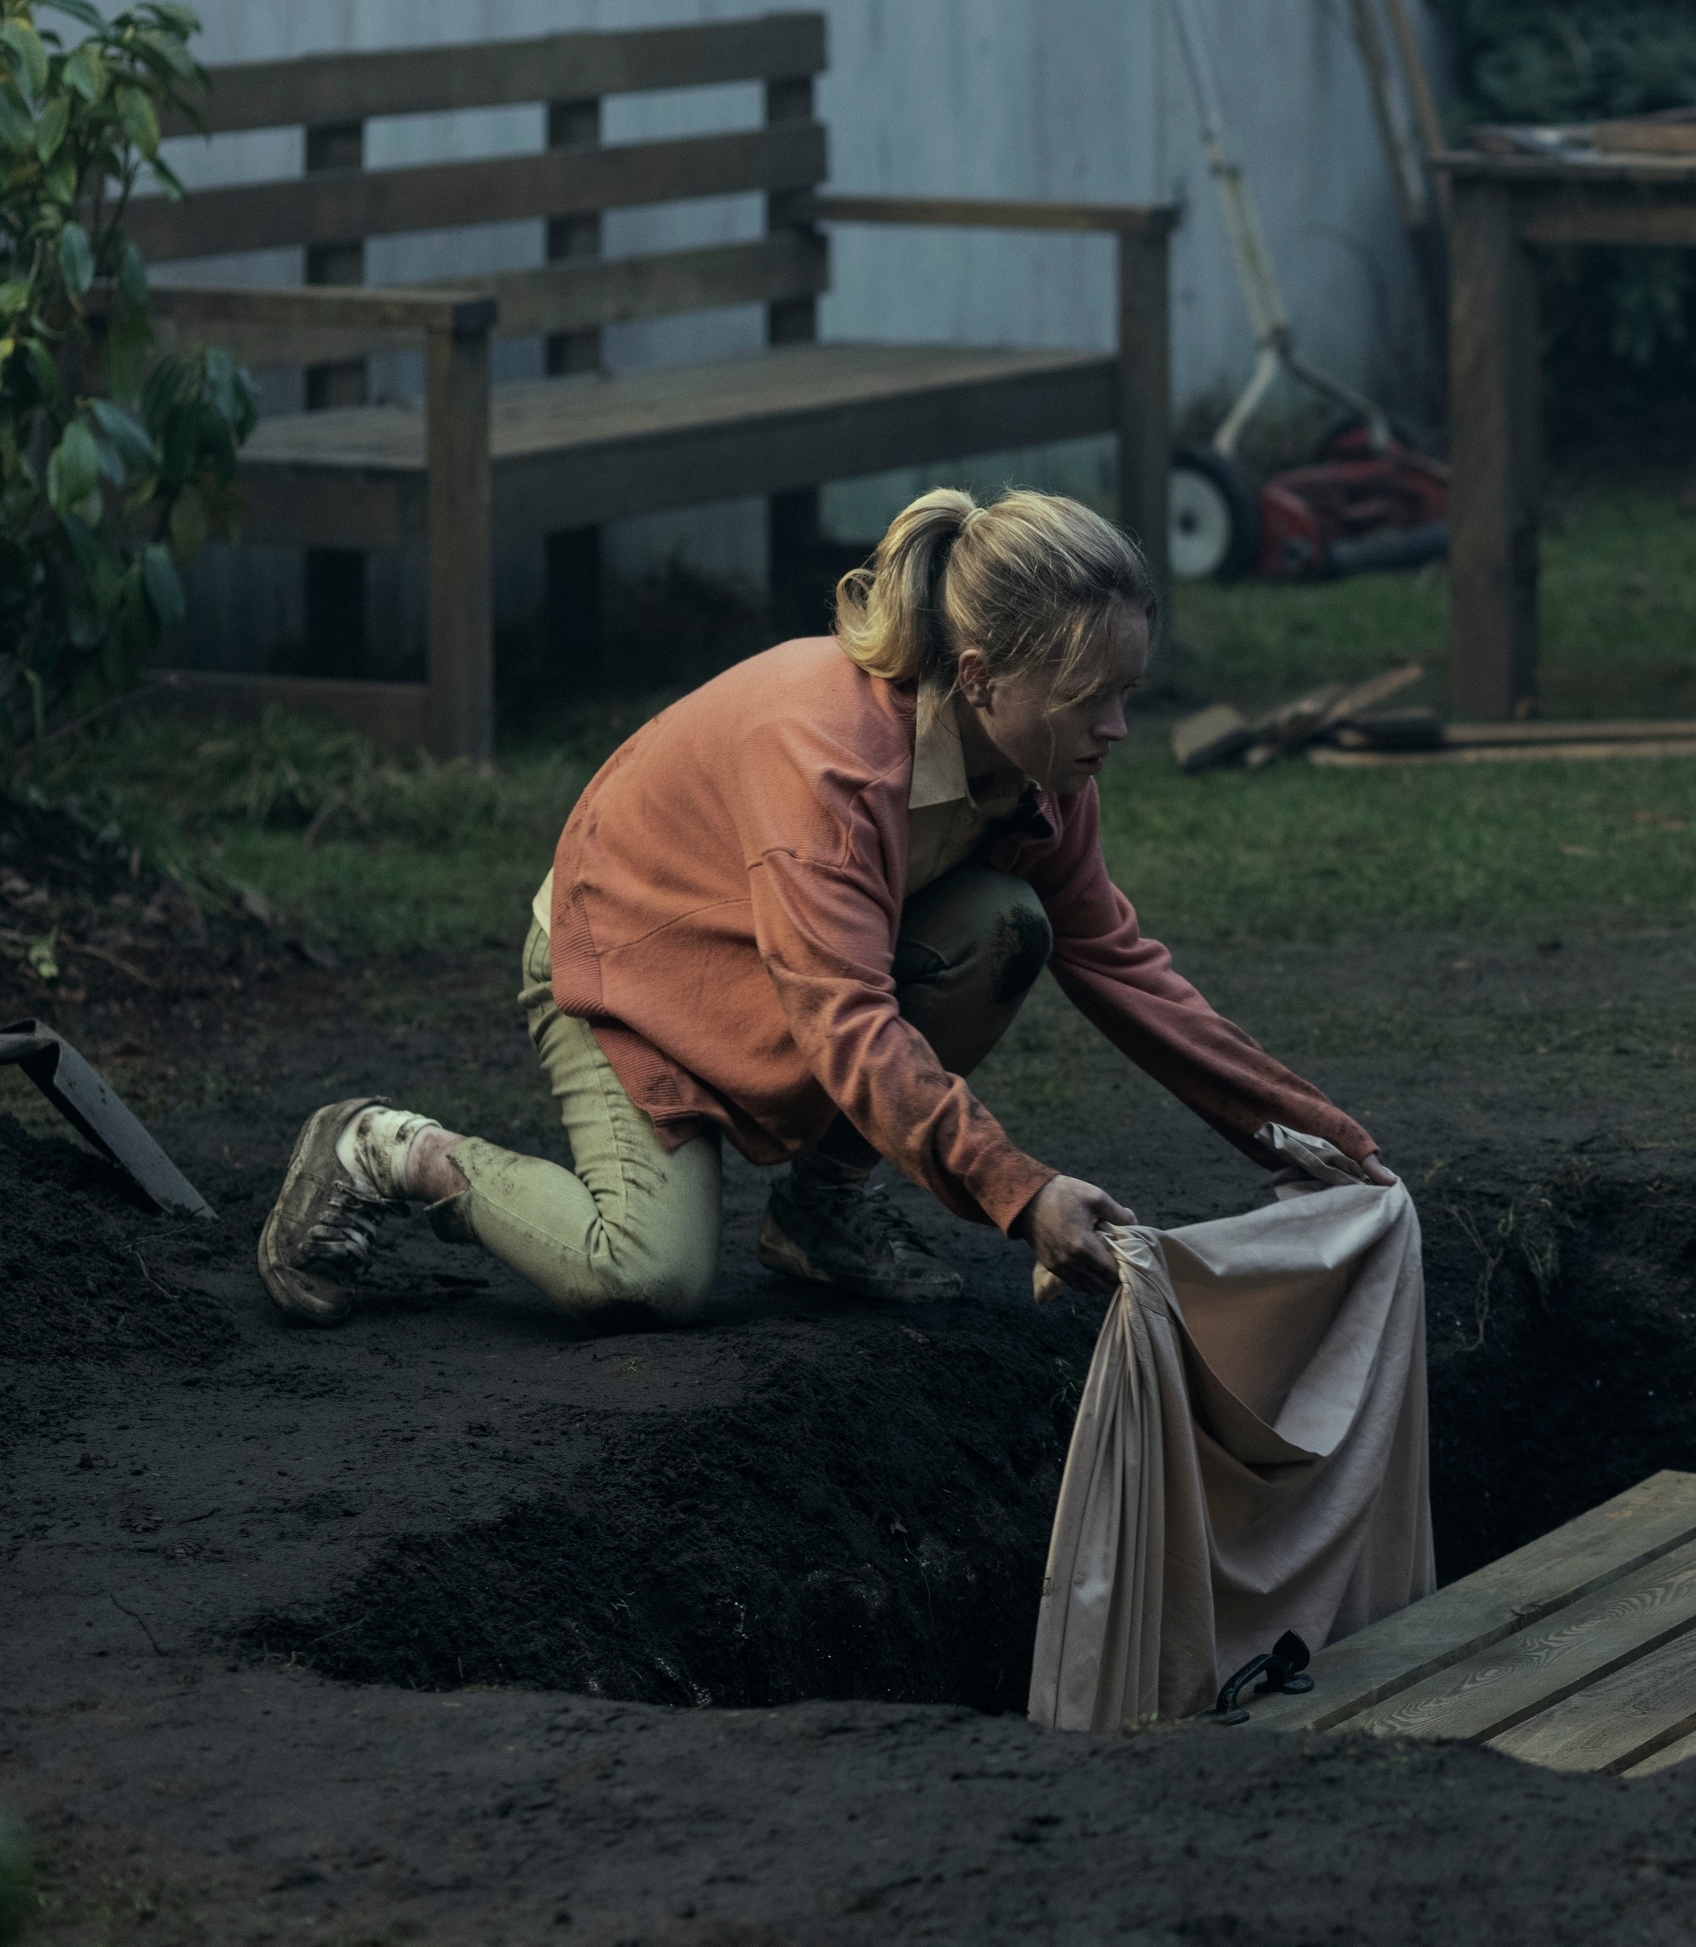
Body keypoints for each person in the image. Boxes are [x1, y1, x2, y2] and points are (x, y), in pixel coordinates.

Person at [256, 486, 1388, 1326]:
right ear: (984, 676)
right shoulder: (828, 760)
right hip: (628, 959)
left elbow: (1131, 975)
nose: (1120, 731)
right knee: (647, 1274)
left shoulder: (1040, 775)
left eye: (1128, 695)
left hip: (788, 960)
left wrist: (1331, 1149)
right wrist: (1021, 1194)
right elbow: (848, 1021)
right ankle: (380, 1148)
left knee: (1008, 926)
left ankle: (820, 1214)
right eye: (1093, 699)